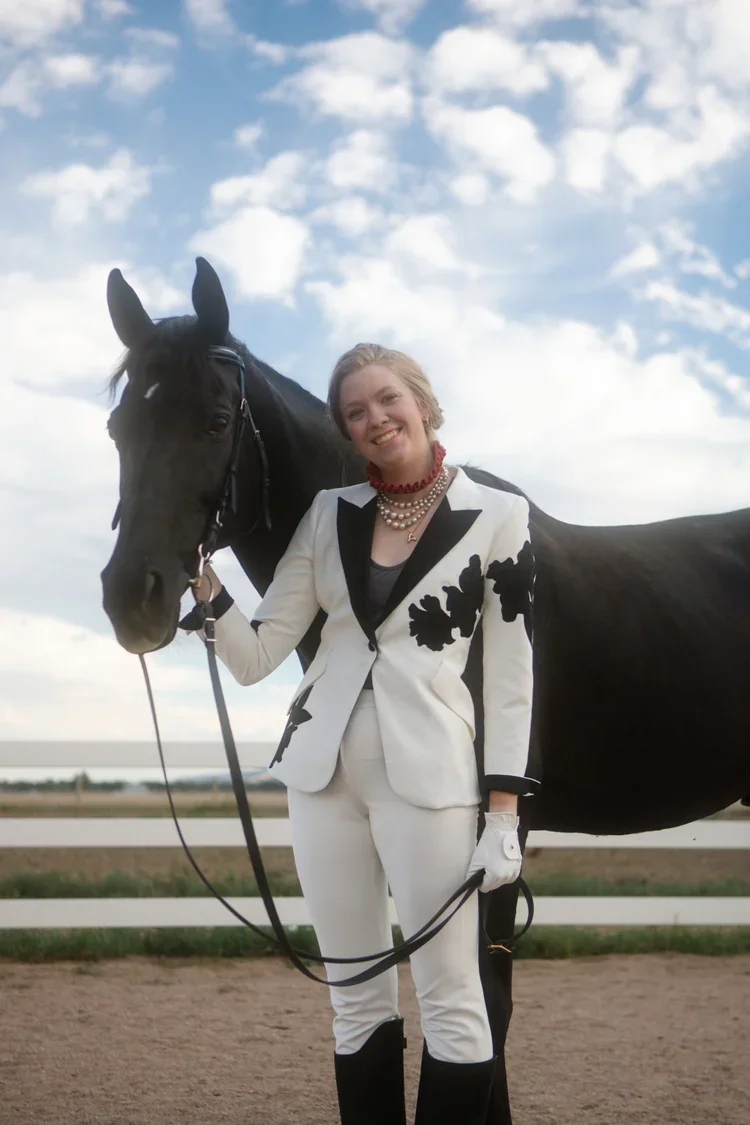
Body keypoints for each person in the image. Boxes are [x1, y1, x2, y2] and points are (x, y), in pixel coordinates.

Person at [189, 343, 537, 1125]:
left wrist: (505, 813)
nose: (375, 419)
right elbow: (259, 653)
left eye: (386, 399)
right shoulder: (328, 513)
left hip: (434, 777)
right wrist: (207, 595)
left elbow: (513, 678)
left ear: (421, 399)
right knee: (353, 1000)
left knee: (454, 1002)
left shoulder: (500, 514)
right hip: (321, 777)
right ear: (346, 430)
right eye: (355, 411)